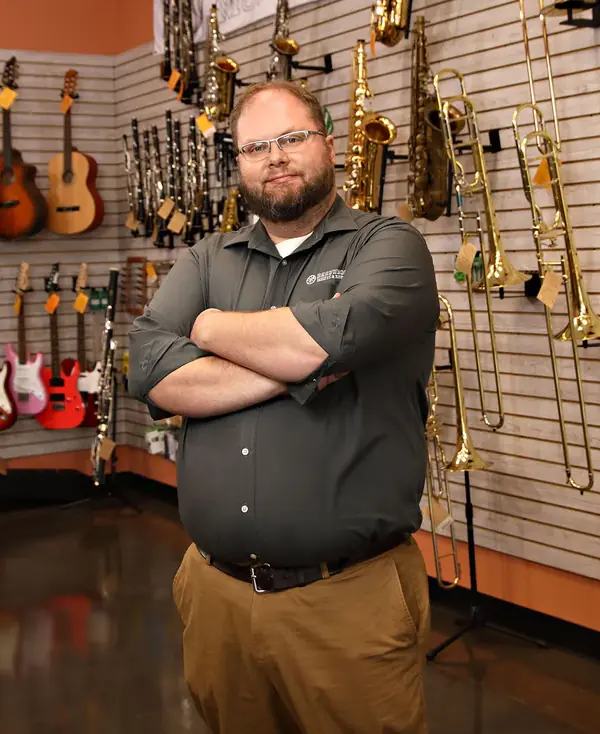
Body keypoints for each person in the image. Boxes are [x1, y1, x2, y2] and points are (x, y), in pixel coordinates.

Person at [128, 80, 439, 734]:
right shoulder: (208, 258)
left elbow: (324, 342)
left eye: (292, 137)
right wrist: (299, 362)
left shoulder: (389, 246)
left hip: (346, 602)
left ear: (329, 143)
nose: (275, 157)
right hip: (215, 596)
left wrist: (209, 329)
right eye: (255, 147)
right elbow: (150, 368)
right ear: (239, 163)